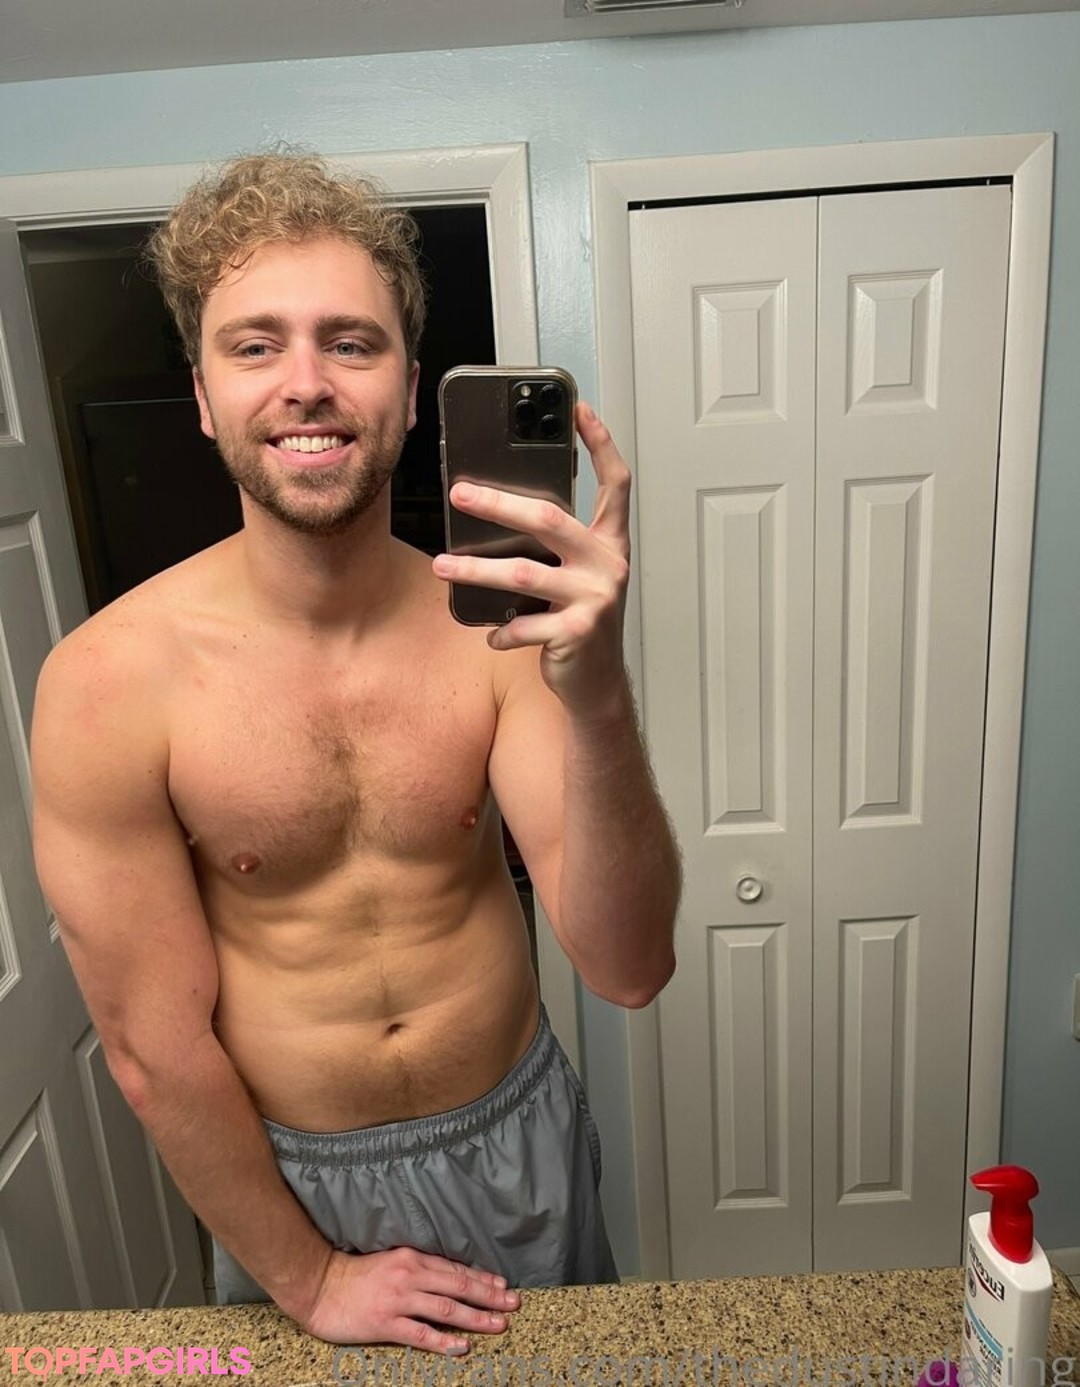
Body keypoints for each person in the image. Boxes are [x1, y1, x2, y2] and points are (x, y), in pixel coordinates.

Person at [29, 153, 680, 1352]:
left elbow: (630, 965)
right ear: (204, 396)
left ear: (412, 388)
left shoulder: (499, 628)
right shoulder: (105, 685)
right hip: (287, 1189)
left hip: (517, 1136)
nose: (307, 383)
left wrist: (596, 695)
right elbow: (153, 1048)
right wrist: (314, 1277)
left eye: (351, 342)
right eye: (255, 345)